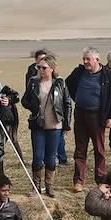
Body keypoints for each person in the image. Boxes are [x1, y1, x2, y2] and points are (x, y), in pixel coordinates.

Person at [66, 48, 111, 191]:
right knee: (80, 149)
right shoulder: (78, 72)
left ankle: (101, 180)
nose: (85, 62)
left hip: (98, 117)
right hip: (80, 114)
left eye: (88, 59)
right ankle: (78, 181)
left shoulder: (109, 76)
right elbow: (68, 85)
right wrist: (77, 98)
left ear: (97, 60)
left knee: (99, 149)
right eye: (84, 58)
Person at [24, 52, 71, 196]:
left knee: (51, 157)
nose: (40, 70)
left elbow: (67, 103)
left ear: (51, 68)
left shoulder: (60, 83)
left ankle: (49, 186)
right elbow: (24, 101)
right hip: (38, 125)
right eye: (39, 67)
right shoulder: (33, 82)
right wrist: (33, 106)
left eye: (44, 68)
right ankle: (36, 187)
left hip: (55, 125)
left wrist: (67, 124)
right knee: (38, 156)